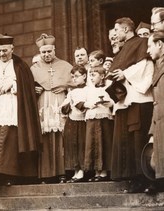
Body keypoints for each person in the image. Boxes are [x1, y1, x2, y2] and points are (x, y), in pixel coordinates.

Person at [0, 33, 41, 186]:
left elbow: (27, 87)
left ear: (12, 48)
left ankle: (7, 173)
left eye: (4, 50)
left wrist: (13, 85)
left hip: (13, 105)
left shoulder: (20, 66)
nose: (2, 54)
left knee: (7, 139)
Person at [107, 17, 154, 193]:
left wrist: (124, 74)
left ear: (126, 29)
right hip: (125, 100)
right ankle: (135, 179)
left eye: (117, 30)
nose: (115, 34)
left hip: (139, 99)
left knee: (139, 140)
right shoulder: (123, 48)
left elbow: (145, 65)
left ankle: (148, 178)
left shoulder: (141, 42)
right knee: (128, 142)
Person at [31, 33, 72, 183]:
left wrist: (65, 85)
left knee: (61, 135)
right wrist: (34, 89)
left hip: (59, 102)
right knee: (45, 136)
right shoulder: (34, 68)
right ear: (39, 53)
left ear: (54, 50)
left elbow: (75, 82)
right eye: (43, 52)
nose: (46, 55)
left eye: (49, 51)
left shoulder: (65, 65)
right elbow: (27, 87)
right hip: (42, 103)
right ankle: (46, 174)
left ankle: (63, 172)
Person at [82, 66, 114, 182]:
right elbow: (84, 102)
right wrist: (91, 104)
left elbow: (113, 101)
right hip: (92, 117)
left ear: (102, 76)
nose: (91, 78)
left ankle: (104, 171)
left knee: (104, 142)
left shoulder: (108, 87)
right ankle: (96, 171)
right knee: (93, 144)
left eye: (94, 75)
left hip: (104, 117)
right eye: (90, 75)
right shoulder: (88, 89)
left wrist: (109, 103)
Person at [59, 66, 87, 183]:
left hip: (83, 122)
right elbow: (63, 107)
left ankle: (82, 171)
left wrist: (77, 104)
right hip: (72, 121)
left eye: (76, 76)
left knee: (81, 145)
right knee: (72, 145)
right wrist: (68, 106)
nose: (74, 79)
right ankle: (76, 170)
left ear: (84, 76)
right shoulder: (72, 91)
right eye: (72, 77)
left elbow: (85, 106)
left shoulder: (88, 90)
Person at [145, 31, 164, 194]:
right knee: (156, 160)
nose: (148, 50)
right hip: (159, 121)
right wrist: (153, 129)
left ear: (160, 44)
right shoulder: (158, 66)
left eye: (150, 45)